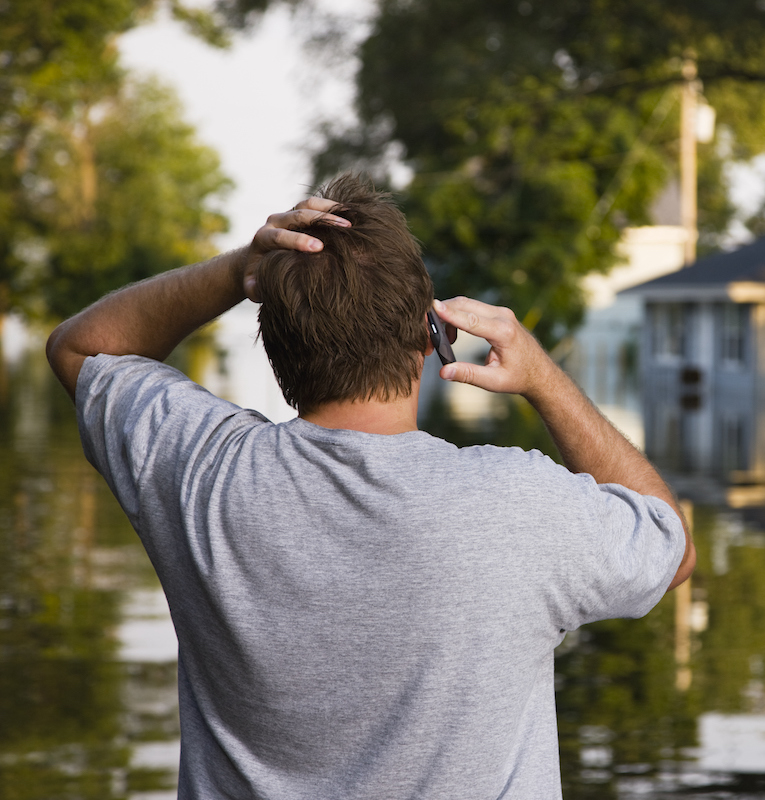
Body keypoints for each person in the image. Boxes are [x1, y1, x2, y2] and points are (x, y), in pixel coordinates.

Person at [46, 173, 694, 800]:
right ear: (431, 335)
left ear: (274, 350)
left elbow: (80, 349)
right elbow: (670, 544)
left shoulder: (202, 472)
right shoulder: (518, 502)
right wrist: (545, 378)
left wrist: (241, 269)